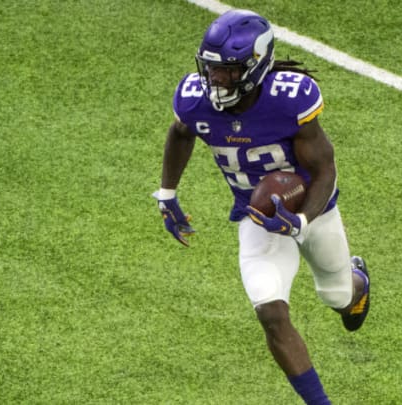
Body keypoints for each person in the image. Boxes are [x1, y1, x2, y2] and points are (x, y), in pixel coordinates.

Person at [154, 9, 370, 405]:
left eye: (228, 71)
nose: (215, 80)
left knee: (338, 297)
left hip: (312, 210)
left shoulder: (290, 101)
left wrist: (302, 221)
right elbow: (182, 132)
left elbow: (325, 170)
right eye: (211, 69)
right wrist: (167, 192)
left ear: (256, 65)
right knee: (270, 312)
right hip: (255, 215)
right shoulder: (193, 99)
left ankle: (357, 283)